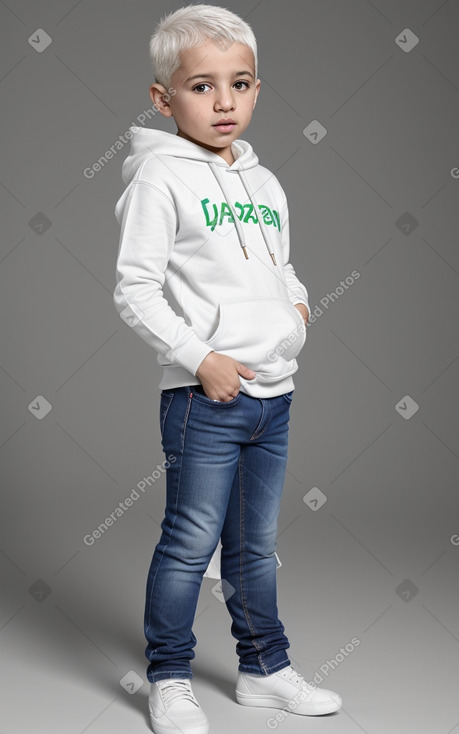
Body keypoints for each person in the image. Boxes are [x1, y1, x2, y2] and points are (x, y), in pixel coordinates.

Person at [113, 4, 342, 733]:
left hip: (274, 395)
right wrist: (200, 359)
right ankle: (169, 676)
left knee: (255, 546)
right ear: (163, 97)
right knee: (188, 542)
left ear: (255, 90)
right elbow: (134, 290)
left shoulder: (265, 182)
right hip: (202, 396)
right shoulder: (158, 178)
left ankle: (264, 669)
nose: (222, 102)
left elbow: (286, 272)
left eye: (238, 84)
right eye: (201, 86)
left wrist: (299, 315)